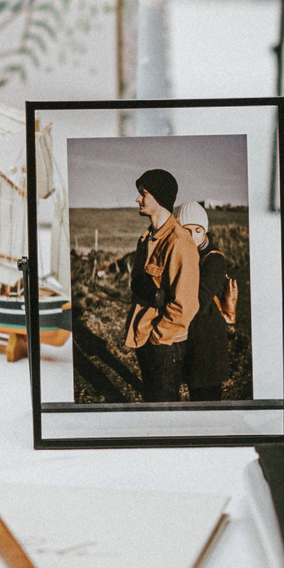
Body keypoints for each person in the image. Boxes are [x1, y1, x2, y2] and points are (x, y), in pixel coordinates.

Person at [121, 167, 198, 403]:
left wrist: (158, 336)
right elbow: (138, 284)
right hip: (145, 334)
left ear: (160, 197)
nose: (137, 198)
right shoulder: (146, 239)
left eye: (143, 193)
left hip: (165, 343)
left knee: (164, 405)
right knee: (151, 398)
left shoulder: (179, 242)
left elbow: (185, 305)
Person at [176, 201, 238, 402]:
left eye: (198, 230)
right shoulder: (184, 254)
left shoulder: (213, 259)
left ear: (205, 232)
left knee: (207, 398)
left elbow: (199, 302)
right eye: (187, 230)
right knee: (195, 393)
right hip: (191, 336)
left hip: (209, 339)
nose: (193, 236)